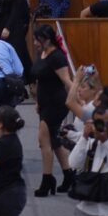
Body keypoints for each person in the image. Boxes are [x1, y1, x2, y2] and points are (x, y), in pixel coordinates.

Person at [31, 24, 74, 196]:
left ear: (47, 40)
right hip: (45, 102)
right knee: (54, 141)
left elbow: (67, 81)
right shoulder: (42, 53)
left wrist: (78, 104)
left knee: (44, 141)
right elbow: (40, 79)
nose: (35, 43)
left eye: (37, 40)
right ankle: (69, 175)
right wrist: (38, 102)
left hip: (56, 103)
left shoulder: (57, 57)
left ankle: (47, 180)